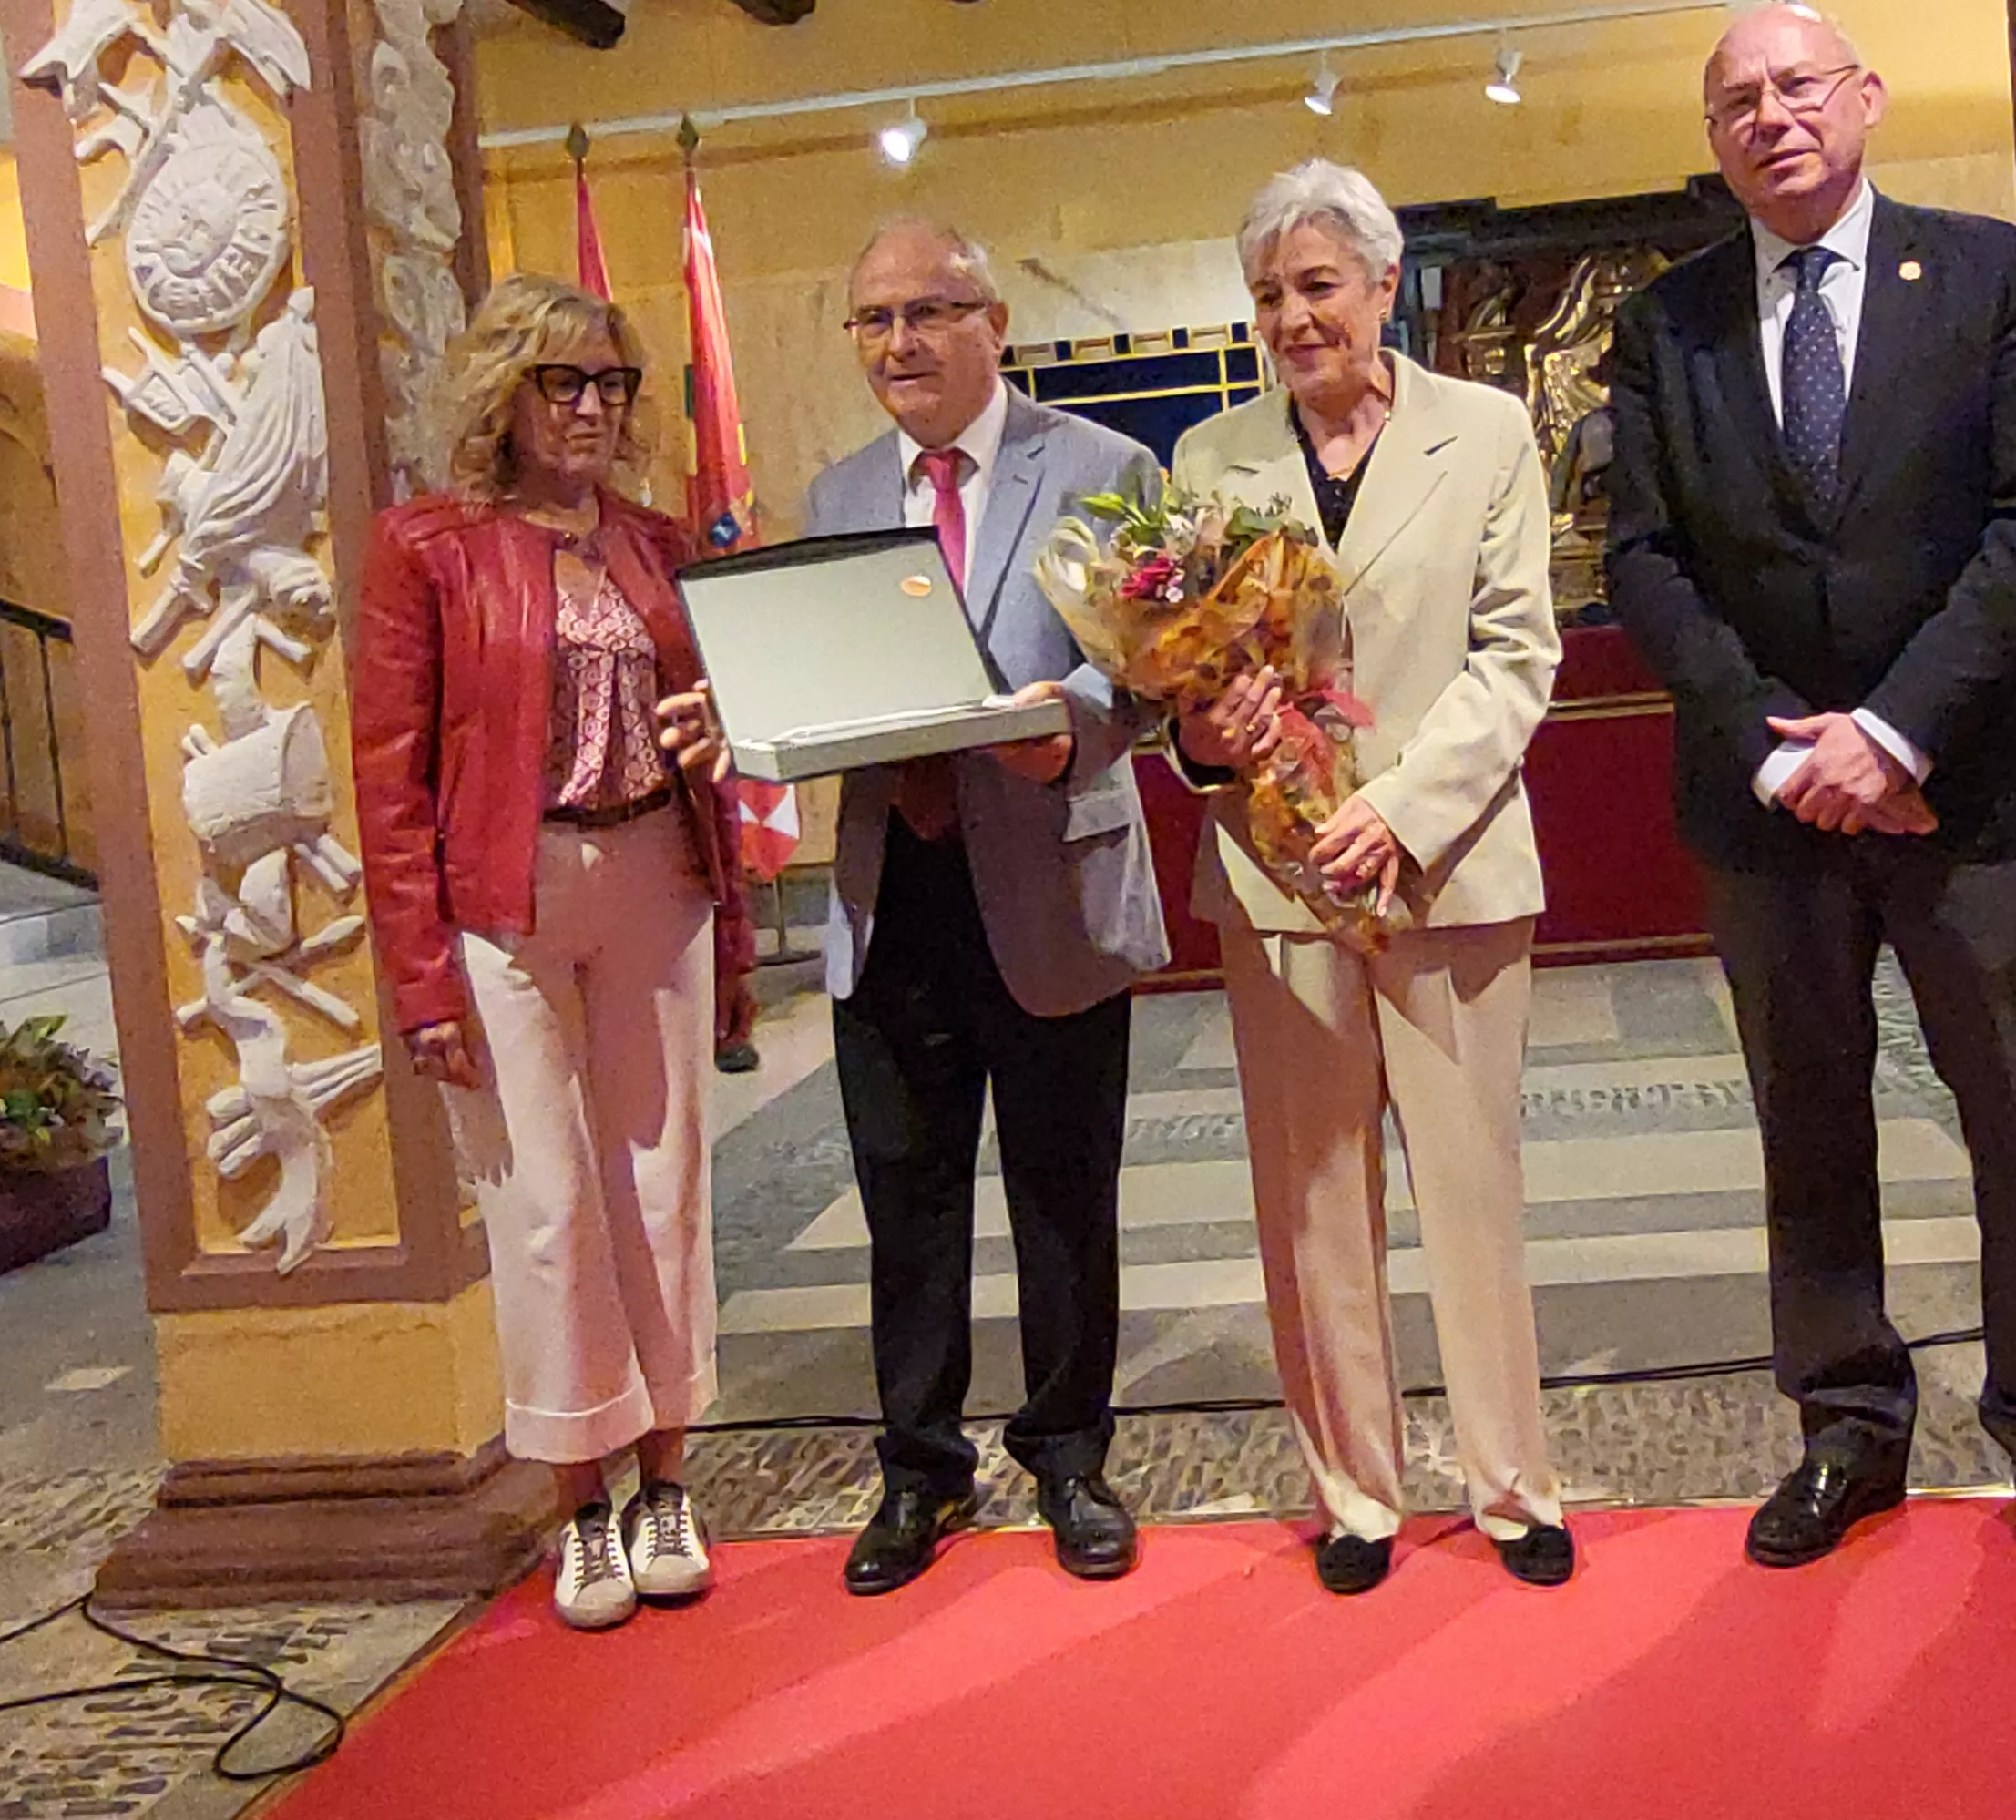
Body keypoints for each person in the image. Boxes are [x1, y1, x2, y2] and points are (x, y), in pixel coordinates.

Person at [1602, 3, 2016, 1583]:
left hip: (1982, 796)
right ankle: (1847, 1427)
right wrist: (1783, 748)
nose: (1772, 116)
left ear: (1866, 100)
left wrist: (1891, 736)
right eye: (1737, 101)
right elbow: (1643, 556)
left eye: (1798, 85)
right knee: (1808, 1127)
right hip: (1769, 812)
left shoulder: (1984, 276)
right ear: (1715, 143)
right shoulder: (1664, 325)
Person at [1172, 160, 1573, 1596]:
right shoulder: (1212, 461)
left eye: (1318, 286)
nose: (1292, 317)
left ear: (1386, 285)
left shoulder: (1488, 432)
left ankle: (1513, 1486)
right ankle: (1355, 1494)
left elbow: (1520, 652)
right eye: (1270, 293)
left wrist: (1401, 811)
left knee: (1473, 1188)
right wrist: (1202, 739)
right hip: (1279, 883)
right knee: (1314, 1197)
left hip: (1450, 866)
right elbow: (1195, 673)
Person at [355, 275, 738, 1631]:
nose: (591, 408)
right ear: (503, 394)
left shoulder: (657, 541)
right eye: (563, 383)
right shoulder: (430, 549)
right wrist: (416, 976)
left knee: (663, 1185)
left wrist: (715, 732)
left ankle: (666, 1483)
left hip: (657, 875)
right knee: (546, 1206)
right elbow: (388, 777)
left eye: (613, 384)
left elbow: (727, 712)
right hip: (505, 900)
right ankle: (579, 1505)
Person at [804, 219, 1165, 1594]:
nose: (901, 342)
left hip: (1047, 873)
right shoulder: (837, 496)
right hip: (890, 881)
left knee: (1065, 1188)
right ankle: (919, 1469)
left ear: (994, 322)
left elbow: (1141, 672)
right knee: (907, 1192)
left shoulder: (1101, 469)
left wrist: (1062, 726)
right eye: (874, 320)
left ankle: (1071, 1456)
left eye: (930, 312)